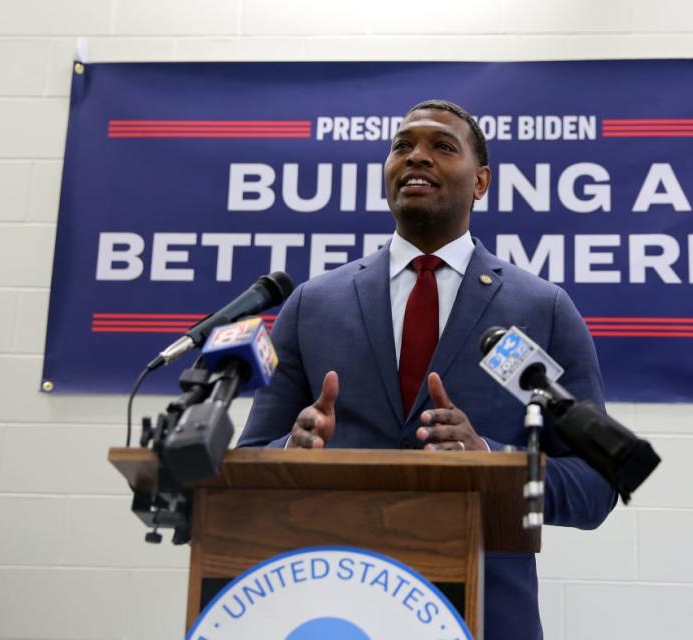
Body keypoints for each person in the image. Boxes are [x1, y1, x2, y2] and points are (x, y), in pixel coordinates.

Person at [239, 99, 616, 639]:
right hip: (332, 613)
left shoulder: (541, 310)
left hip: (483, 615)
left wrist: (489, 461)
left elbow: (595, 481)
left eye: (442, 146)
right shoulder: (313, 304)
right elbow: (252, 459)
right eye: (402, 146)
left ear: (481, 182)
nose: (417, 157)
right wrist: (290, 454)